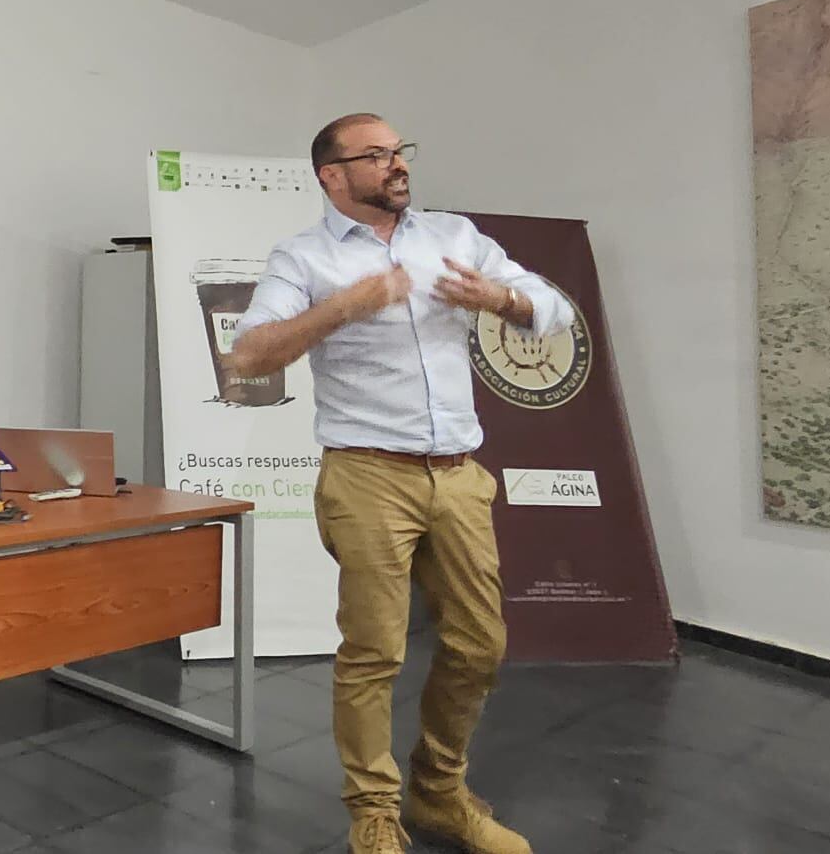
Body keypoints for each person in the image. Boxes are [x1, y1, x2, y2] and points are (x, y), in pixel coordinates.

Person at [226, 113, 574, 854]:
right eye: (376, 155)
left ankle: (440, 792)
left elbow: (552, 308)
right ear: (332, 175)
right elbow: (249, 357)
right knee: (374, 652)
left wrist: (500, 300)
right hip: (366, 476)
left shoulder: (455, 237)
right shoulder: (304, 257)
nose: (397, 165)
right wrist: (344, 307)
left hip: (457, 476)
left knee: (481, 644)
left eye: (399, 151)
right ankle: (373, 812)